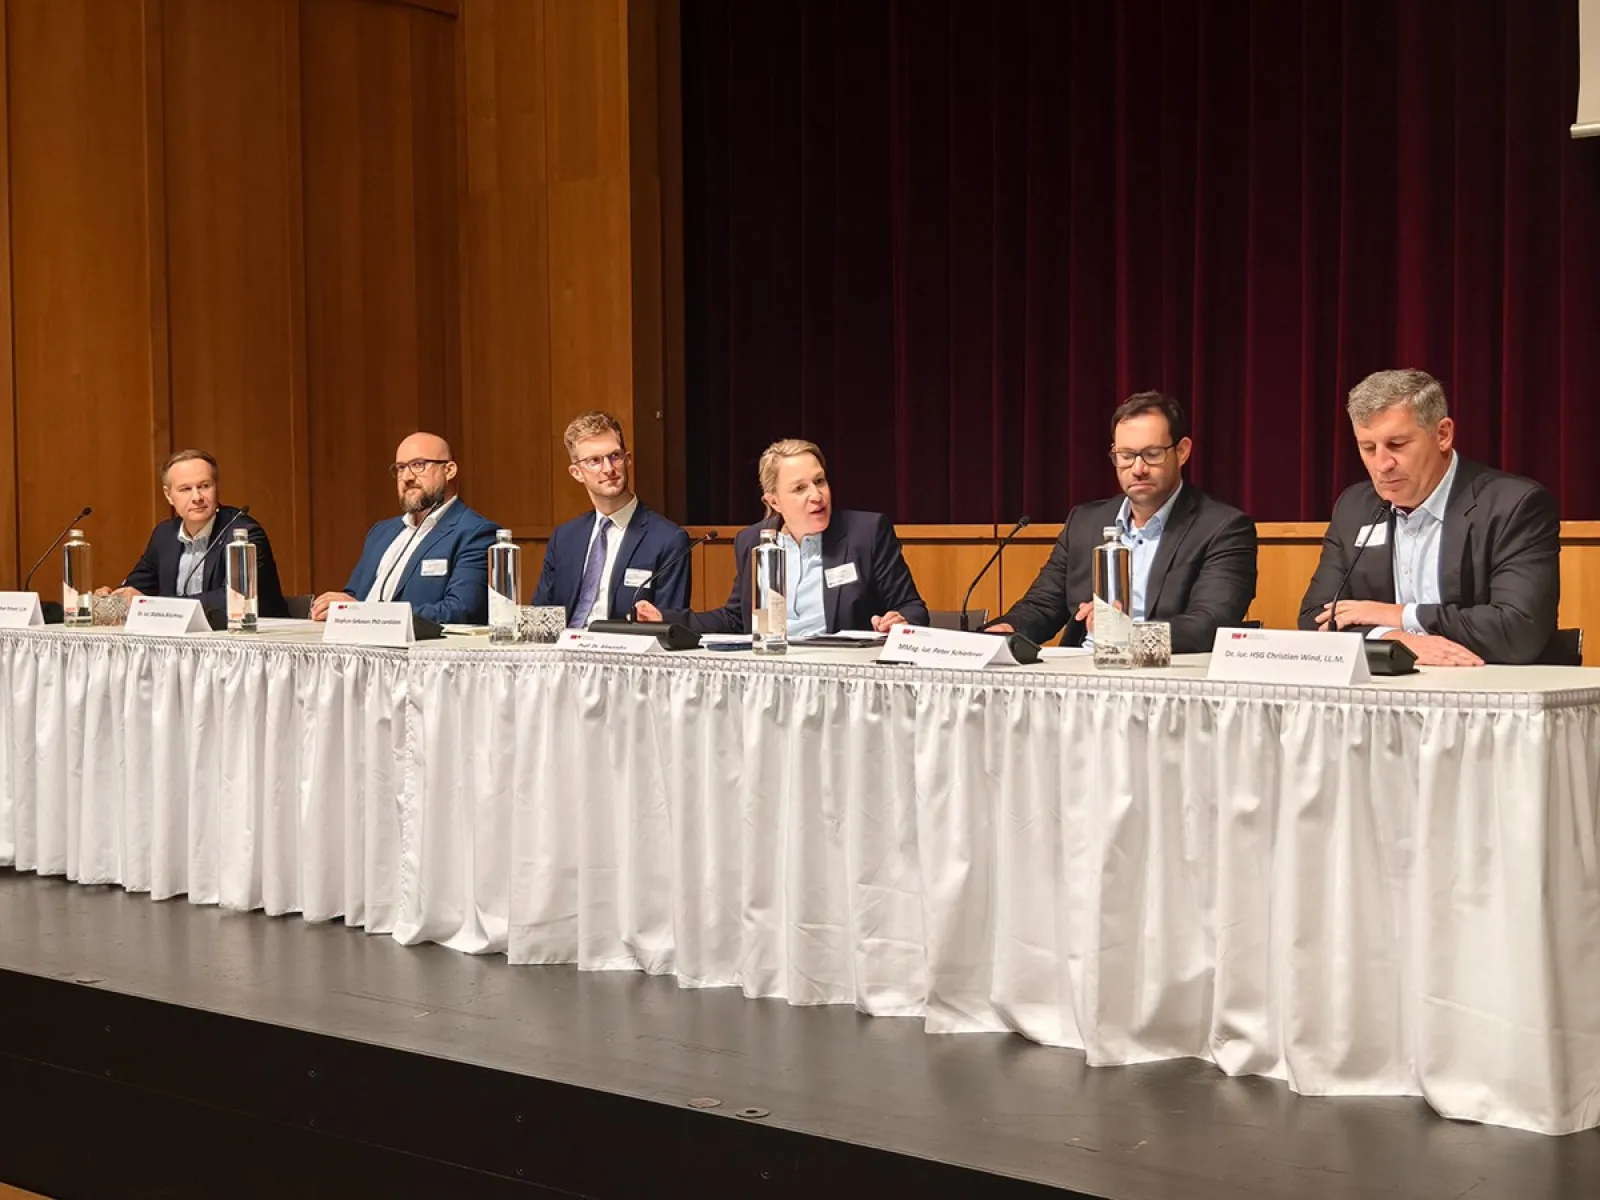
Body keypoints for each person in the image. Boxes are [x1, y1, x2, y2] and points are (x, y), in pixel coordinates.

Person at [1298, 369, 1560, 666]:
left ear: (1442, 435)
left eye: (1397, 445)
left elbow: (1518, 629)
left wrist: (1397, 615)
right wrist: (1393, 640)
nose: (1382, 464)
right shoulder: (1355, 507)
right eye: (1368, 448)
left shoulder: (1513, 505)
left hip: (1490, 691)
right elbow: (1314, 619)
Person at [986, 393, 1256, 652]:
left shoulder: (1224, 528)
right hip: (1081, 674)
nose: (1138, 469)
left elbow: (1210, 623)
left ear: (1182, 451)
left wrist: (1126, 633)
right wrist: (1007, 629)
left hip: (1163, 678)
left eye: (1152, 454)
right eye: (1126, 456)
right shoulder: (1085, 522)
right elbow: (1042, 605)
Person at [636, 438, 928, 635]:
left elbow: (913, 608)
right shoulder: (753, 541)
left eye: (819, 481)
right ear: (774, 501)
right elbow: (738, 618)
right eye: (800, 488)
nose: (816, 496)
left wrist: (899, 622)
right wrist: (669, 620)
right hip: (772, 673)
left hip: (843, 677)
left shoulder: (866, 533)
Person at [311, 432, 498, 625]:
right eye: (400, 468)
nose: (407, 477)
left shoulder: (475, 533)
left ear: (449, 470)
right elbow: (355, 596)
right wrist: (333, 606)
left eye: (419, 465)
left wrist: (368, 613)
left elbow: (460, 611)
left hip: (421, 651)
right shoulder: (382, 532)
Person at [533, 411, 692, 626]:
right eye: (594, 461)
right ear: (576, 473)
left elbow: (668, 627)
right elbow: (541, 617)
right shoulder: (564, 538)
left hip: (624, 655)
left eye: (615, 456)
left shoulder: (668, 539)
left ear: (628, 460)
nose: (608, 469)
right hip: (562, 652)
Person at [105, 449, 288, 618]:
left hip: (248, 643)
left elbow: (234, 600)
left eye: (204, 486)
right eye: (185, 489)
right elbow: (138, 587)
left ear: (216, 487)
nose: (197, 497)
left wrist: (161, 606)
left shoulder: (244, 534)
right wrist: (114, 597)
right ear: (168, 495)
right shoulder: (164, 535)